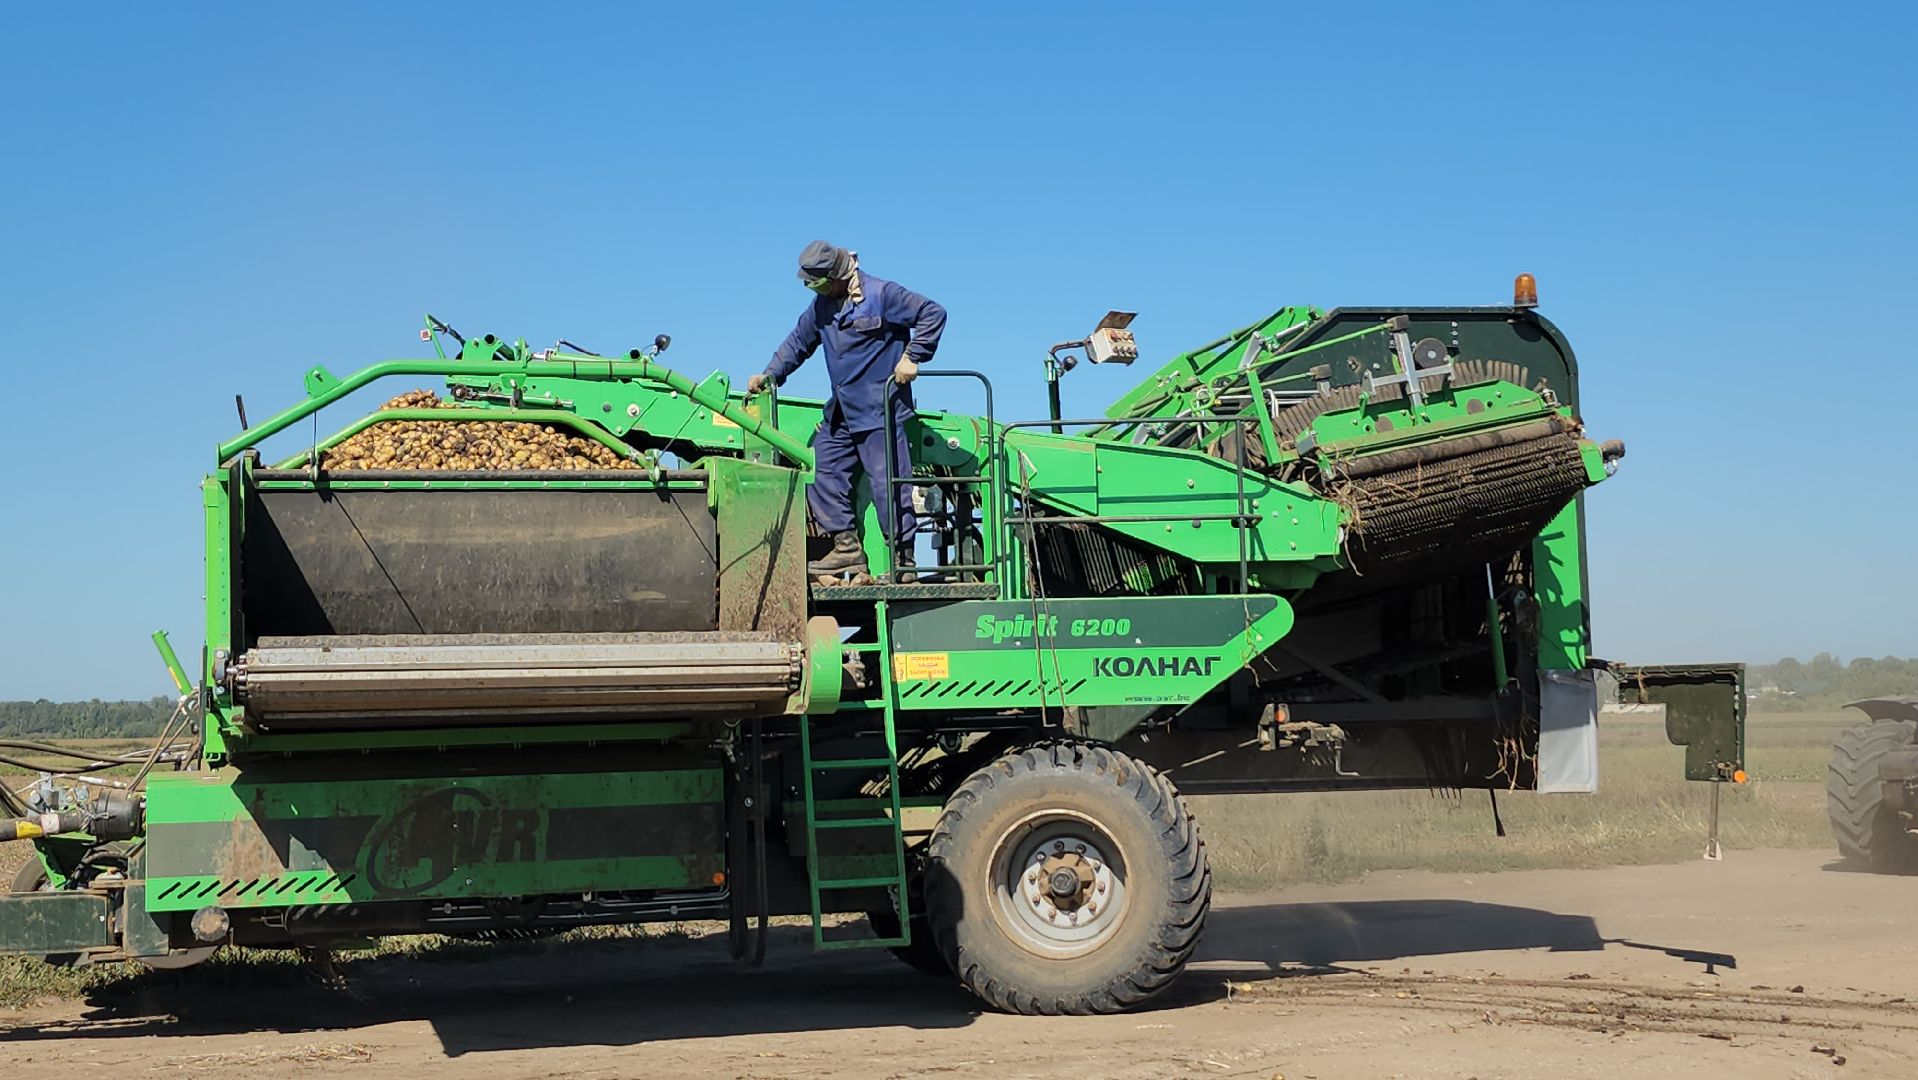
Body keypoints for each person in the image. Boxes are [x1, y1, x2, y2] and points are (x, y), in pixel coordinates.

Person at [748, 241, 946, 578]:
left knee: (888, 484)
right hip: (842, 413)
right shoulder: (822, 307)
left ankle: (903, 562)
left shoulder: (883, 294)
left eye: (818, 282)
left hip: (879, 410)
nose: (814, 289)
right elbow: (798, 343)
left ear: (837, 275)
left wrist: (913, 356)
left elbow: (933, 312)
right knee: (819, 467)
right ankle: (847, 549)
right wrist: (770, 375)